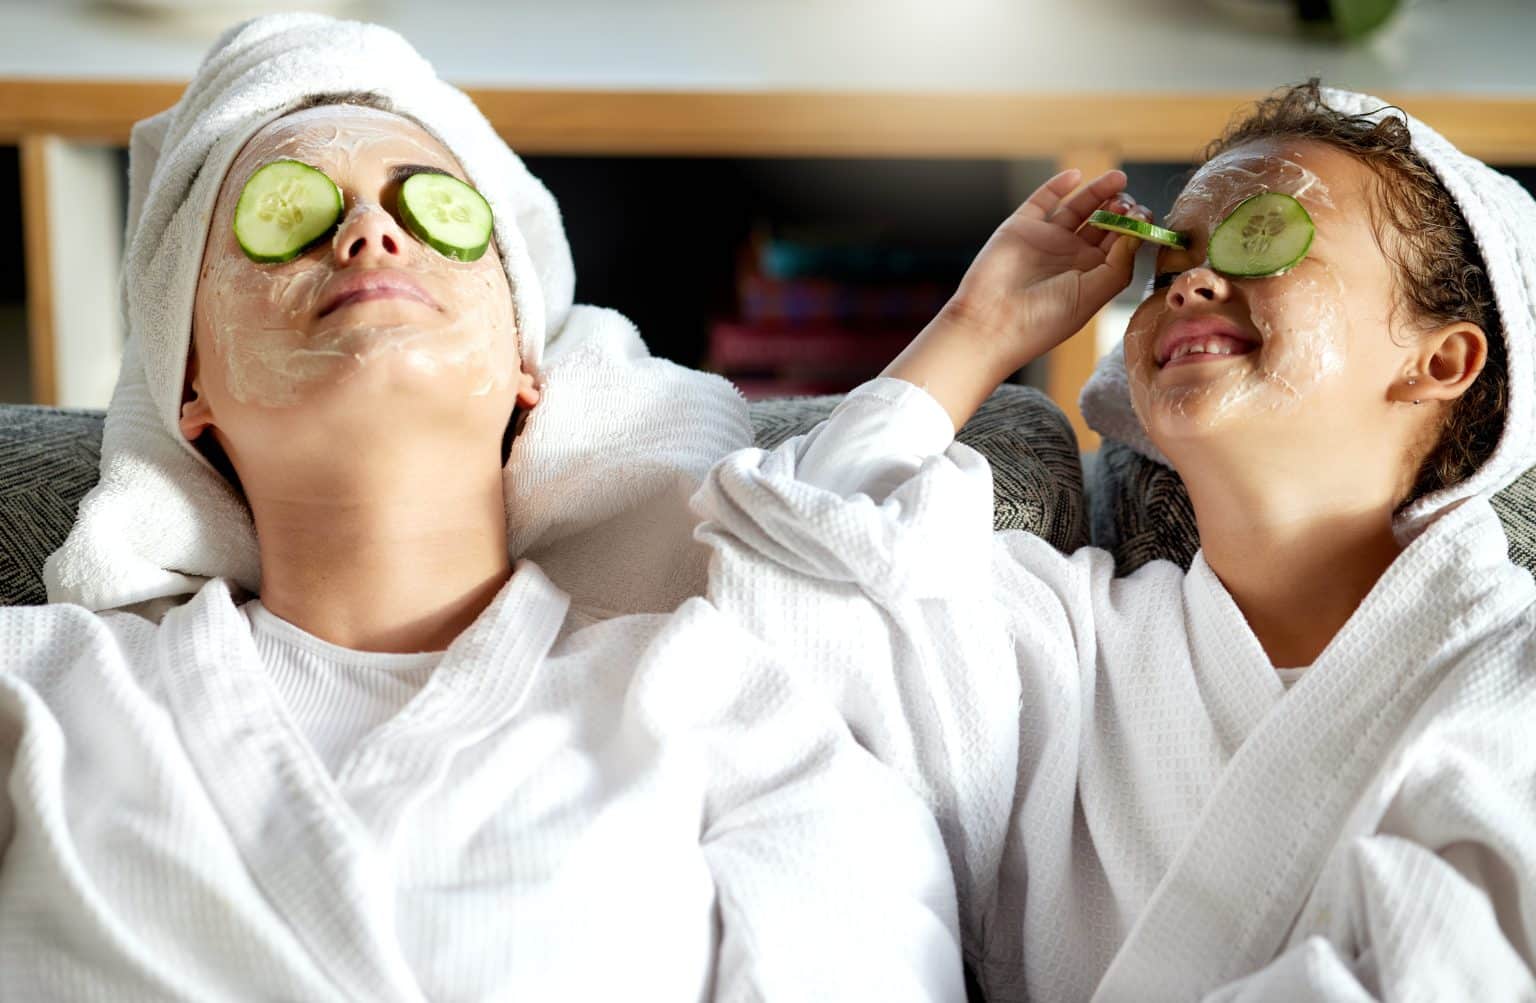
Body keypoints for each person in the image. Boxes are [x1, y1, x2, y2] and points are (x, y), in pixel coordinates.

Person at [0, 14, 965, 1001]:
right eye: (288, 213)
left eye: (428, 207)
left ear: (524, 364)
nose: (369, 232)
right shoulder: (43, 691)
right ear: (186, 381)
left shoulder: (717, 705)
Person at [695, 81, 1536, 999]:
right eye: (1168, 268)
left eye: (1264, 239)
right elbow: (791, 606)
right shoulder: (1065, 641)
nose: (1190, 284)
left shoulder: (1509, 680)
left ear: (1439, 360)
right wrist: (977, 328)